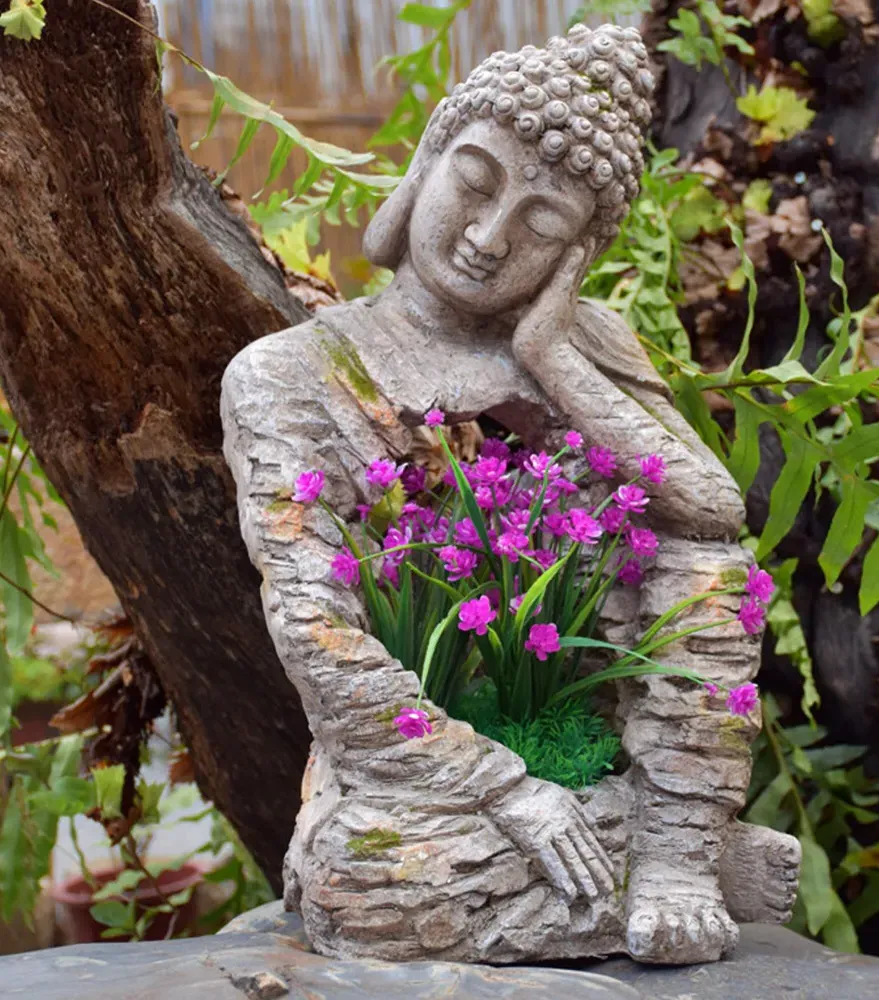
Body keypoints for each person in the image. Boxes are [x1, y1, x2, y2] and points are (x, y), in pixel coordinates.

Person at [221, 22, 798, 965]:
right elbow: (315, 632)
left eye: (543, 226)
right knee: (363, 893)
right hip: (419, 767)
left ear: (580, 254)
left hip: (586, 733)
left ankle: (677, 858)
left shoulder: (589, 348)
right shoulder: (287, 375)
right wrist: (504, 788)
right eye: (476, 183)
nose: (489, 240)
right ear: (426, 159)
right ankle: (666, 860)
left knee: (705, 566)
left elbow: (712, 510)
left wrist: (552, 360)